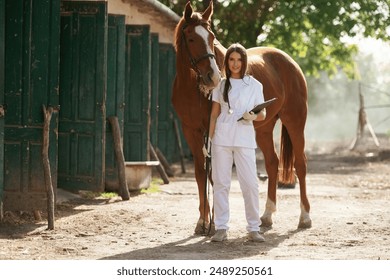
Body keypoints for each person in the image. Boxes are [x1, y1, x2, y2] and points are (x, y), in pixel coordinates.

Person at [203, 43, 266, 242]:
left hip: (244, 138)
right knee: (221, 183)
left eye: (239, 60)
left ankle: (254, 228)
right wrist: (209, 140)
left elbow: (263, 113)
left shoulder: (255, 85)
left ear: (244, 61)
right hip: (221, 138)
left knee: (250, 184)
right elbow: (214, 115)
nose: (235, 63)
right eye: (232, 59)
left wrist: (252, 117)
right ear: (227, 61)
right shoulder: (220, 85)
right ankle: (221, 228)